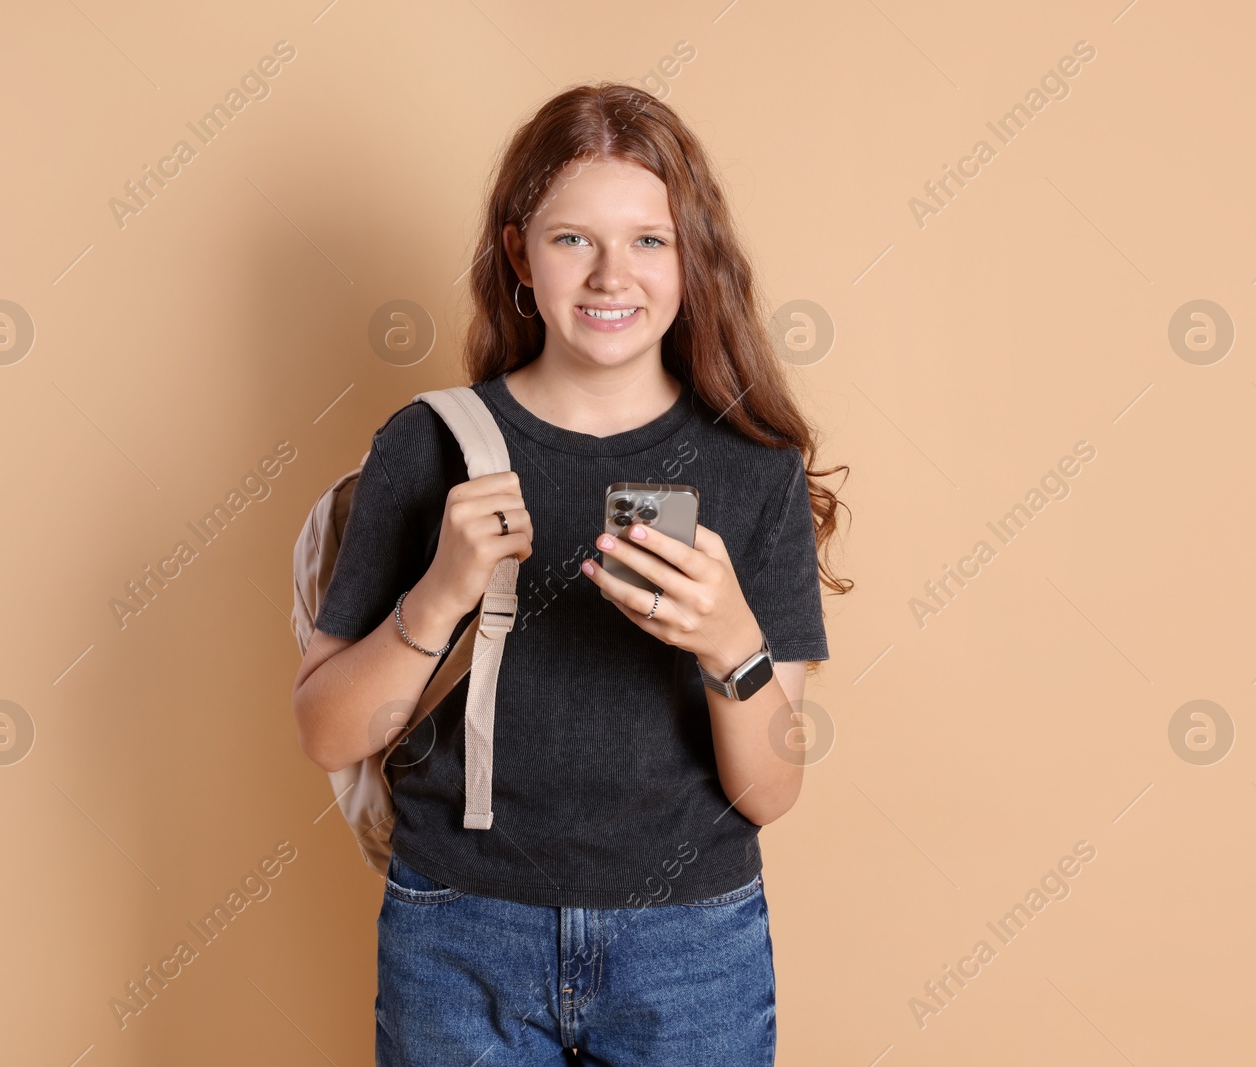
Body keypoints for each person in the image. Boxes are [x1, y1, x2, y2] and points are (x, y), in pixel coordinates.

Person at [291, 81, 852, 1067]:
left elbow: (768, 790)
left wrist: (732, 645)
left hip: (689, 944)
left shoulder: (750, 467)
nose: (609, 276)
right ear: (518, 253)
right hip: (458, 926)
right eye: (570, 239)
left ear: (691, 254)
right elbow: (327, 731)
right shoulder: (427, 446)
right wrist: (439, 593)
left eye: (647, 239)